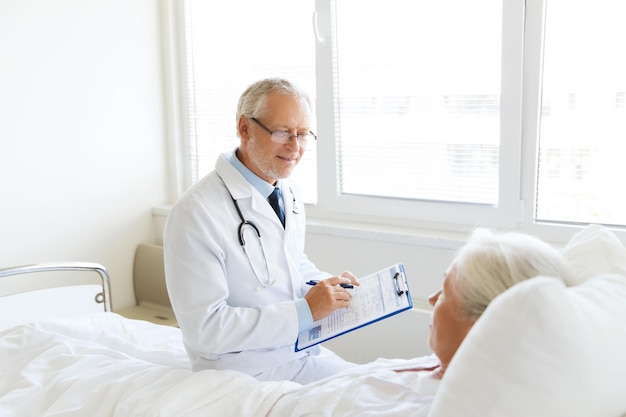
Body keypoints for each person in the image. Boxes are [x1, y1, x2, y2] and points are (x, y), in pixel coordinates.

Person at [163, 77, 359, 384]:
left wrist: (328, 287)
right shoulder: (196, 212)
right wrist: (305, 312)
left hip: (297, 352)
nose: (295, 147)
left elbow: (290, 261)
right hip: (242, 375)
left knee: (382, 384)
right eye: (282, 132)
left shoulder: (288, 192)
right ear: (245, 128)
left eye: (303, 134)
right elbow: (206, 329)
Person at [267, 228, 574, 414]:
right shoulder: (444, 367)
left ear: (482, 324)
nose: (432, 298)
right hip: (275, 395)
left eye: (447, 291)